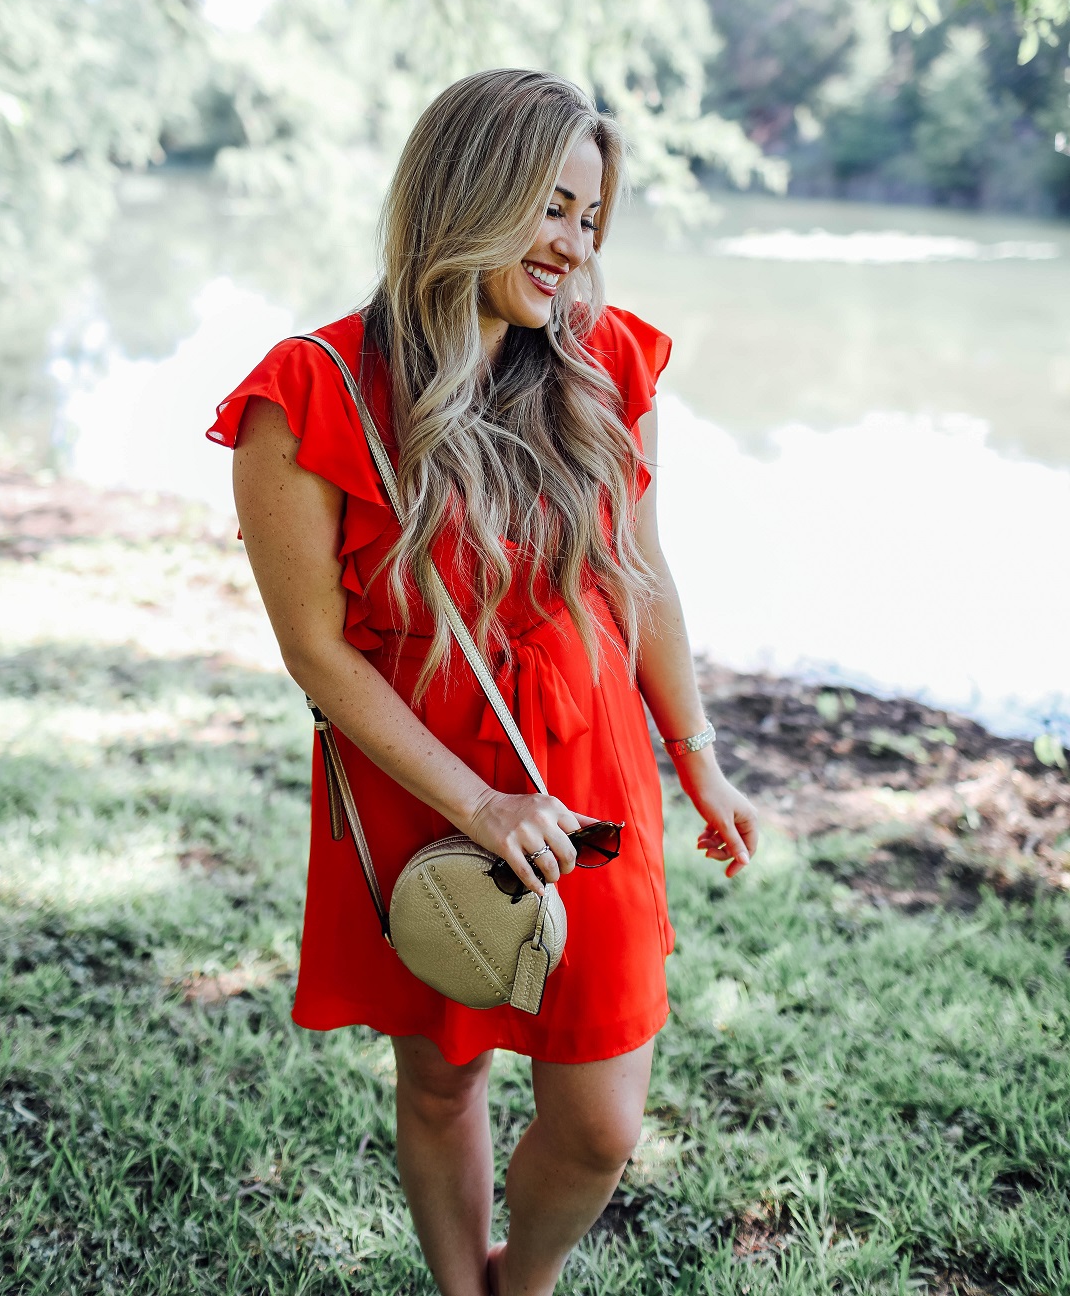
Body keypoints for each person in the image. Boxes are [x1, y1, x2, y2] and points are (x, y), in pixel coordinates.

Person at [206, 69, 758, 1296]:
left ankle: (528, 1279)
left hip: (588, 777)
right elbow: (317, 653)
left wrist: (699, 753)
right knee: (441, 1072)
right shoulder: (308, 393)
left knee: (603, 1120)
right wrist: (477, 803)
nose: (571, 244)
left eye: (590, 218)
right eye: (551, 207)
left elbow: (642, 572)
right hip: (417, 770)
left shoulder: (607, 358)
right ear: (469, 191)